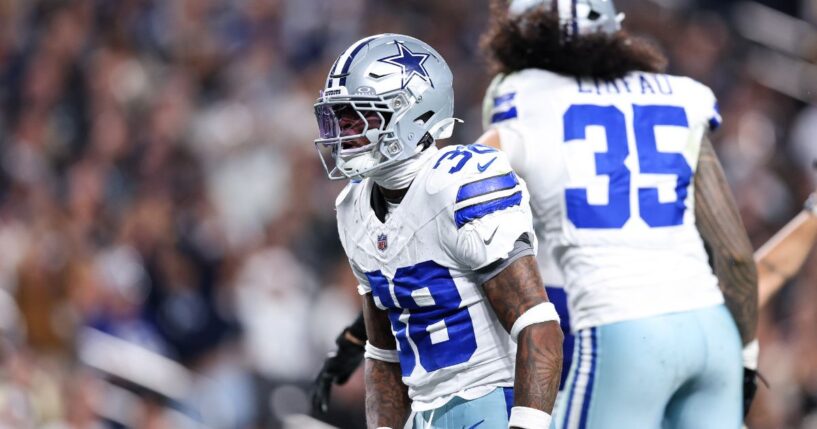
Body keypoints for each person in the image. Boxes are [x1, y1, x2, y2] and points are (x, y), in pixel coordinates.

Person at [477, 0, 757, 427]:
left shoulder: (524, 93)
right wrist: (746, 354)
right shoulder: (681, 94)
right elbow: (735, 255)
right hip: (712, 330)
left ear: (519, 40)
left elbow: (458, 191)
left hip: (620, 329)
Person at [312, 33, 564, 429]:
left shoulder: (460, 184)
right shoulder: (353, 207)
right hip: (424, 413)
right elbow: (384, 353)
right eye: (339, 117)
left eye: (360, 116)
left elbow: (539, 326)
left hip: (493, 404)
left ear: (413, 113)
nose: (344, 133)